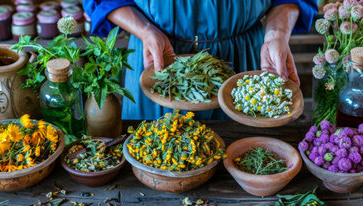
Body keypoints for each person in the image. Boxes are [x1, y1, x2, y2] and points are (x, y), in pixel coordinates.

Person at [83, 0, 317, 120]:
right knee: (156, 157)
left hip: (243, 58)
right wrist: (145, 31)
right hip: (159, 60)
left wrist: (276, 35)